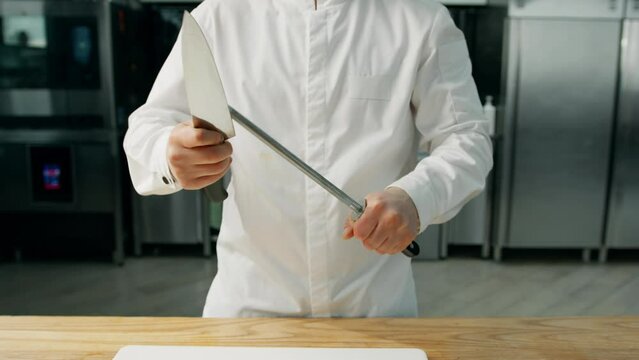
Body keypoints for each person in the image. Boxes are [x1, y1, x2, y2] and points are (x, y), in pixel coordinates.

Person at [123, 0, 492, 318]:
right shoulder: (221, 16)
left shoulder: (420, 20)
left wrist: (416, 198)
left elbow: (467, 140)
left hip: (374, 311)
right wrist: (168, 153)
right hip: (248, 309)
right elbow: (147, 126)